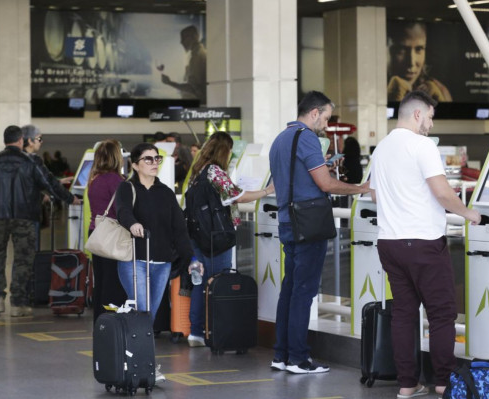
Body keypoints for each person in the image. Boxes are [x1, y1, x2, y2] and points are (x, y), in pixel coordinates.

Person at [369, 90, 481, 397]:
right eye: (430, 117)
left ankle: (408, 384)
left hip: (389, 243)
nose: (430, 124)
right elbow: (443, 193)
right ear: (418, 114)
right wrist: (471, 213)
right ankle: (443, 382)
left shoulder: (381, 149)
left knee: (404, 313)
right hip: (423, 243)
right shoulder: (422, 146)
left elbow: (375, 195)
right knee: (441, 313)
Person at [268, 91, 370, 374]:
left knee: (290, 289)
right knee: (303, 291)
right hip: (309, 224)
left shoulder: (280, 139)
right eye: (325, 117)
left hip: (288, 221)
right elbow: (325, 185)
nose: (325, 124)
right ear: (314, 113)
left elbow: (293, 178)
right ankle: (299, 358)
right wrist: (361, 188)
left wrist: (323, 165)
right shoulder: (308, 138)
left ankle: (281, 354)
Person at [0, 125, 81, 317]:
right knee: (23, 260)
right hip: (25, 218)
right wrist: (71, 198)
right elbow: (50, 183)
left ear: (5, 141)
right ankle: (18, 304)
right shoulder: (32, 161)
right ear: (21, 140)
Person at [115, 143, 202, 382]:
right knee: (143, 313)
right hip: (135, 261)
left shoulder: (165, 192)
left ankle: (134, 361)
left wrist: (191, 258)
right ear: (134, 164)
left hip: (162, 263)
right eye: (148, 159)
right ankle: (145, 365)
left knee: (148, 318)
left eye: (157, 159)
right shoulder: (127, 188)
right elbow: (122, 211)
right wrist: (132, 223)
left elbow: (179, 230)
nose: (154, 163)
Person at [185, 131, 275, 347]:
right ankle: (218, 330)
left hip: (197, 235)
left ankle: (196, 332)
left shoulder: (197, 171)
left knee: (200, 283)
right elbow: (237, 196)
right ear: (225, 151)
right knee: (218, 282)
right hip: (216, 238)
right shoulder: (215, 171)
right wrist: (267, 190)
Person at [87, 140, 128, 324]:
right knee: (114, 282)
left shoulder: (93, 179)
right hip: (113, 235)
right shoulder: (117, 181)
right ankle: (113, 321)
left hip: (96, 233)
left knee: (101, 281)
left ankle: (100, 321)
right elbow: (123, 210)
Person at [387, 21, 452, 103]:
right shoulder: (371, 89)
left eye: (419, 49)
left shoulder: (440, 90)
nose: (411, 63)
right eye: (401, 50)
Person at [160, 25, 207, 104]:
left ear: (194, 37)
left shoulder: (197, 56)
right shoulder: (197, 54)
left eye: (183, 38)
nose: (181, 42)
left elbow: (193, 88)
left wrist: (169, 83)